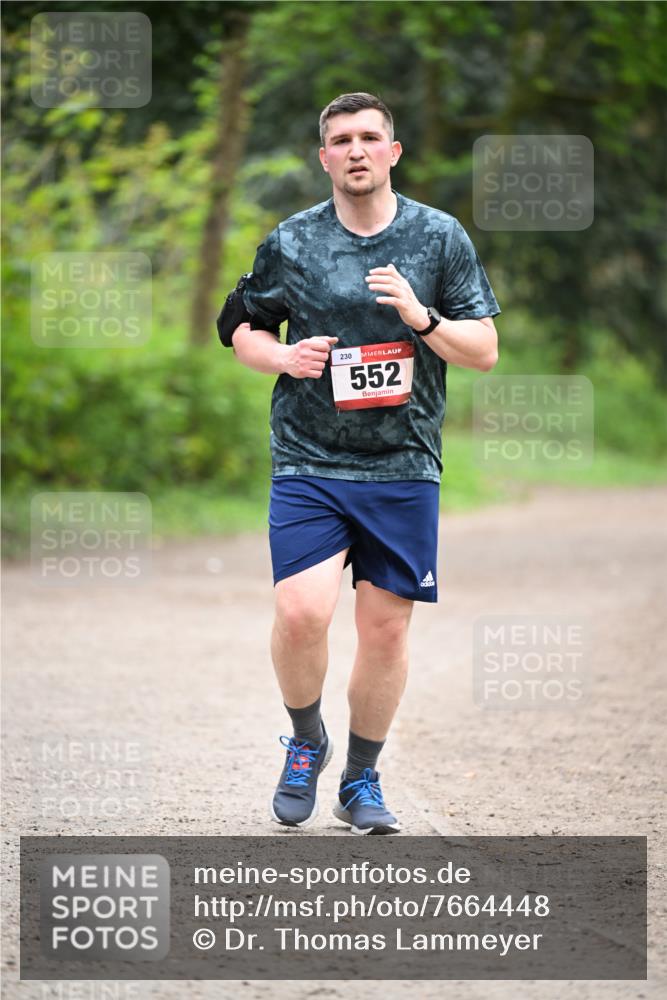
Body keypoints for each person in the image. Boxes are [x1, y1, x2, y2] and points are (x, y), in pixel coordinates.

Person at [221, 92, 500, 835]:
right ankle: (306, 740)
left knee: (384, 632)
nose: (355, 150)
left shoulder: (438, 239)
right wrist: (281, 354)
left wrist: (421, 317)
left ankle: (361, 780)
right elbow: (241, 329)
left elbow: (483, 351)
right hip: (309, 458)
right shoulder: (292, 241)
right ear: (324, 157)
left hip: (404, 463)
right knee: (301, 611)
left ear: (392, 151)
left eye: (368, 137)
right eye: (340, 139)